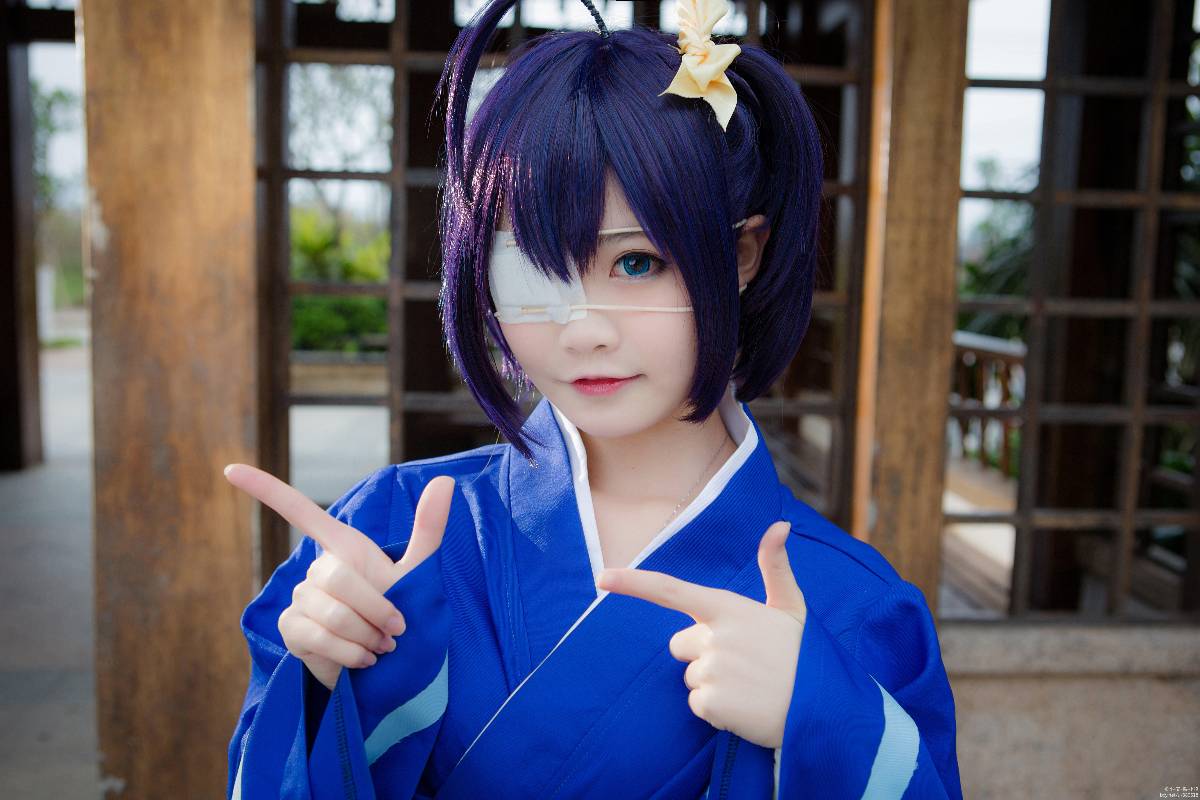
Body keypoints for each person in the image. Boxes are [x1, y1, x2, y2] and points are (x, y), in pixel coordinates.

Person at [224, 1, 964, 797]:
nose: (583, 330)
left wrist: (827, 720)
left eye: (637, 263)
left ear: (743, 254)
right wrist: (321, 687)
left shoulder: (853, 608)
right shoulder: (389, 538)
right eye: (534, 269)